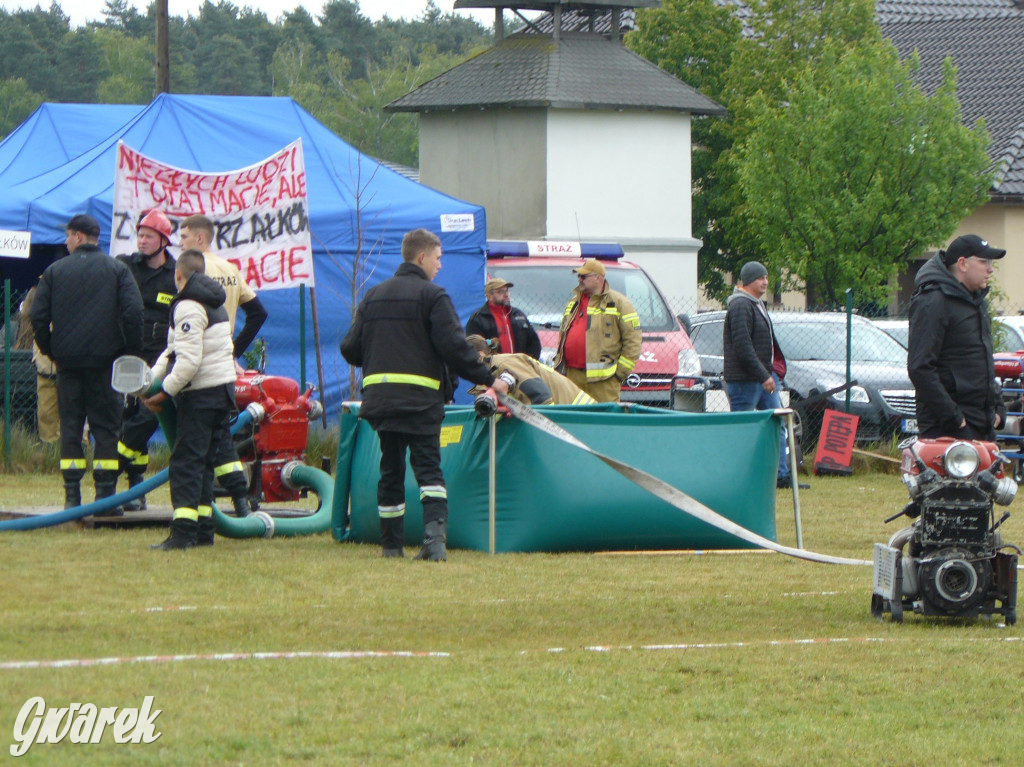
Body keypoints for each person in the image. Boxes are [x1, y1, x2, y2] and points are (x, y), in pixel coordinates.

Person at [340, 228, 509, 561]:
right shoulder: (433, 297)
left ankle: (391, 546)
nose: (440, 265)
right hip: (421, 403)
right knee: (429, 470)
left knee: (390, 471)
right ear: (422, 257)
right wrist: (490, 380)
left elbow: (350, 348)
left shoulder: (373, 296)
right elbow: (455, 349)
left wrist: (379, 356)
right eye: (438, 257)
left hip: (382, 403)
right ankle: (434, 542)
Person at [30, 214, 144, 510]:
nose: (66, 243)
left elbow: (38, 316)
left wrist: (52, 349)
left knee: (71, 426)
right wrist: (129, 353)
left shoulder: (54, 271)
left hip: (67, 364)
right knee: (106, 428)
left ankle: (72, 497)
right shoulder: (118, 270)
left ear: (79, 236)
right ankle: (106, 497)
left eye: (67, 237)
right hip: (107, 364)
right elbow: (133, 313)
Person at [142, 250, 252, 551]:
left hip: (202, 395)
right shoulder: (210, 301)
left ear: (179, 275)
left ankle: (182, 534)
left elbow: (188, 362)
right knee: (203, 462)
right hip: (221, 391)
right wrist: (151, 377)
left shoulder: (188, 306)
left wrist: (164, 393)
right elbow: (172, 350)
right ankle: (204, 531)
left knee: (186, 463)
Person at [908, 234, 1008, 441]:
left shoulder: (978, 302)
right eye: (984, 261)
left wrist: (998, 409)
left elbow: (982, 359)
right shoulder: (933, 300)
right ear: (962, 263)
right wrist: (956, 420)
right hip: (947, 430)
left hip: (982, 425)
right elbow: (920, 367)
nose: (990, 269)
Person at [114, 209, 177, 510]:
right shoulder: (125, 267)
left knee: (147, 417)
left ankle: (113, 466)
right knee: (127, 417)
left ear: (164, 241)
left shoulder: (175, 275)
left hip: (159, 360)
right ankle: (135, 491)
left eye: (149, 236)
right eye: (139, 235)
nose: (142, 241)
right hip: (127, 354)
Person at [723, 261, 804, 489]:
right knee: (745, 431)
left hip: (765, 377)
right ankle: (741, 476)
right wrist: (763, 375)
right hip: (745, 381)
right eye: (761, 278)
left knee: (777, 424)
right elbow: (742, 345)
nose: (766, 282)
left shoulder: (757, 304)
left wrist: (771, 372)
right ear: (748, 281)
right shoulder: (740, 305)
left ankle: (781, 476)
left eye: (767, 277)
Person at [177, 214, 268, 361]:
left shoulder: (190, 269)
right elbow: (258, 313)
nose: (180, 243)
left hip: (196, 355)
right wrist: (234, 352)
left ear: (200, 238)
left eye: (184, 237)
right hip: (223, 357)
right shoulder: (231, 269)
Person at [552, 258, 641, 403]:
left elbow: (633, 340)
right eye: (578, 276)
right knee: (574, 419)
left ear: (598, 278)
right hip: (572, 376)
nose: (579, 280)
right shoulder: (573, 303)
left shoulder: (619, 303)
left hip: (604, 381)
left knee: (605, 420)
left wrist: (620, 373)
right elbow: (563, 335)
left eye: (584, 276)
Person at [465, 334, 596, 406]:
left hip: (578, 414)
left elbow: (541, 398)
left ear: (480, 355)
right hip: (571, 413)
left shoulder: (503, 364)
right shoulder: (494, 369)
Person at [16, 286, 59, 444]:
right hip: (47, 370)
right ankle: (51, 451)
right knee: (48, 414)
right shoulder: (39, 318)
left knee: (68, 416)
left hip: (66, 371)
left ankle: (70, 450)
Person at [465, 278, 541, 359]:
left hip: (519, 367)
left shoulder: (518, 315)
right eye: (501, 291)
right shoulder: (478, 318)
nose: (506, 294)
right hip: (494, 369)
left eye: (507, 291)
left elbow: (534, 343)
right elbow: (475, 347)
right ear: (489, 296)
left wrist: (528, 363)